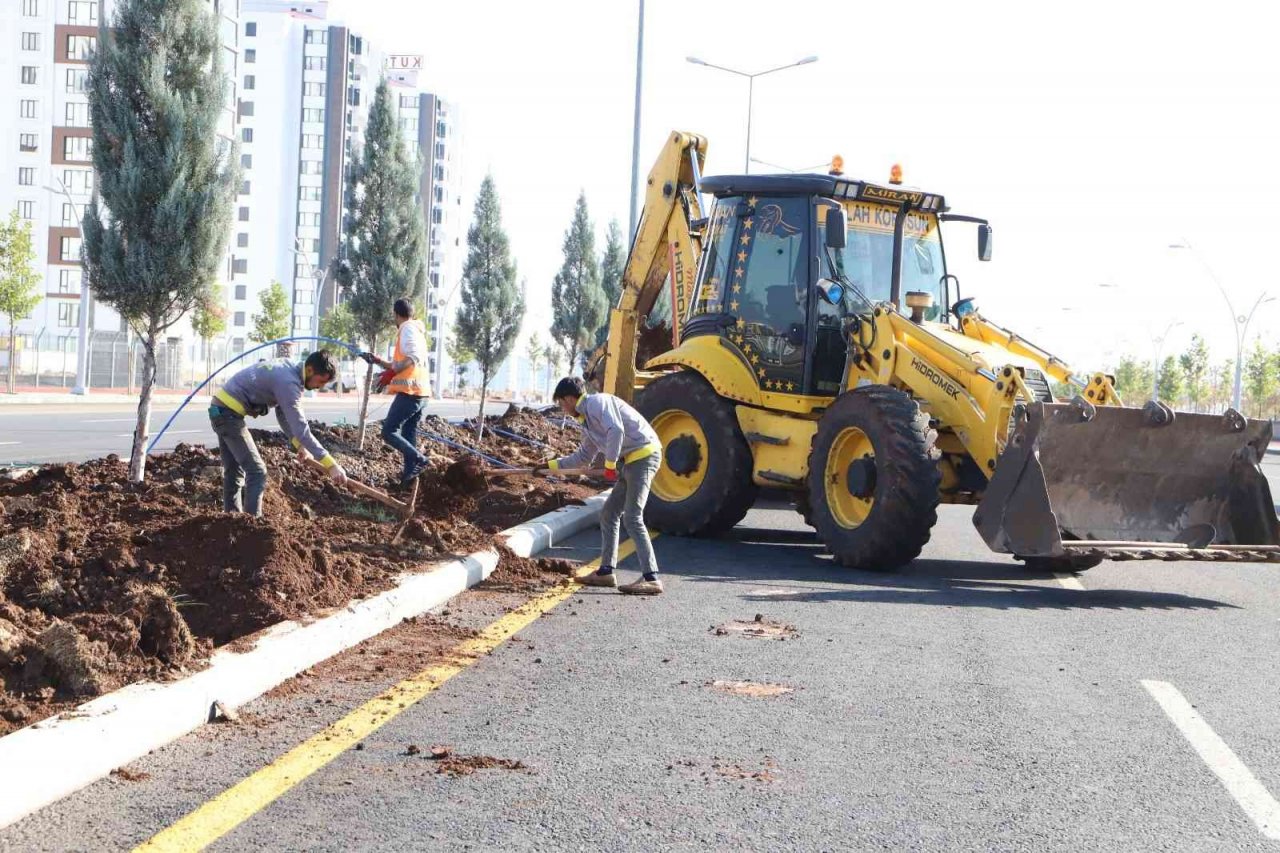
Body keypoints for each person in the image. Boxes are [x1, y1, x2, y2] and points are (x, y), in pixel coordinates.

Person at [535, 376, 664, 595]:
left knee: (632, 517)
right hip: (629, 462)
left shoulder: (597, 403)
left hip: (643, 456)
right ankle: (606, 572)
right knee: (609, 514)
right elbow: (583, 457)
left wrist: (611, 465)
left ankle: (651, 578)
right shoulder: (586, 421)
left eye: (561, 403)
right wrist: (549, 466)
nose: (563, 409)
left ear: (569, 398)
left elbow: (616, 430)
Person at [209, 350, 348, 517]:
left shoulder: (288, 368)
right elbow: (301, 429)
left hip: (220, 410)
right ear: (310, 370)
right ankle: (252, 527)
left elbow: (282, 413)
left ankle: (231, 520)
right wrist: (331, 465)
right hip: (228, 415)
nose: (320, 386)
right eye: (321, 381)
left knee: (234, 471)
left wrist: (299, 445)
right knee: (257, 472)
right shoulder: (288, 382)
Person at [362, 297, 430, 484]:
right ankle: (409, 476)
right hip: (421, 392)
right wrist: (377, 361)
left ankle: (420, 459)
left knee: (388, 431)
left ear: (395, 314)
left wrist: (392, 372)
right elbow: (401, 362)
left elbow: (412, 357)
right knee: (408, 433)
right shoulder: (416, 330)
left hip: (410, 392)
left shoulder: (407, 328)